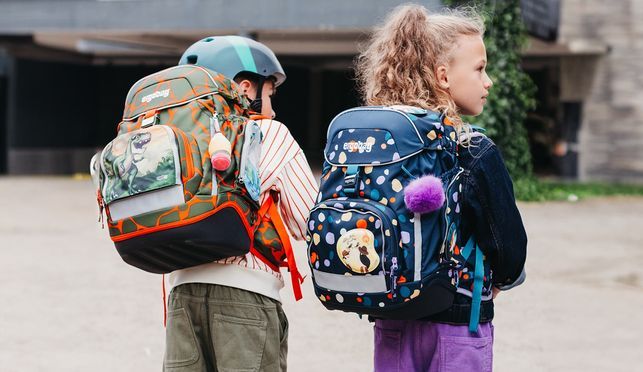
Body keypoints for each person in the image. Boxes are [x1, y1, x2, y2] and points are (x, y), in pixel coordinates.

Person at [354, 5, 527, 371]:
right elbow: (509, 248)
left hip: (392, 319)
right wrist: (502, 280)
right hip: (458, 321)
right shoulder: (473, 150)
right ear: (443, 76)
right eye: (480, 68)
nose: (488, 81)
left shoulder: (382, 147)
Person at [164, 36, 318, 372]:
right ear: (246, 87)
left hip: (181, 295)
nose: (272, 108)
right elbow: (310, 221)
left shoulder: (171, 141)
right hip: (245, 298)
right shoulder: (270, 133)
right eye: (269, 95)